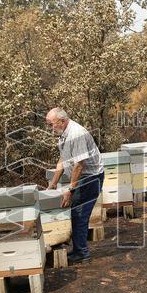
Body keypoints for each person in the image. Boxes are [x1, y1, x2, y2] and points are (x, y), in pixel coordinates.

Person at [46, 107, 104, 264]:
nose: (50, 128)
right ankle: (78, 250)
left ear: (62, 121)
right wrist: (53, 183)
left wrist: (70, 190)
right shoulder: (64, 134)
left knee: (79, 214)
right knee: (76, 213)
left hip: (91, 178)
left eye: (51, 124)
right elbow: (63, 159)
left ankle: (82, 253)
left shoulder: (76, 134)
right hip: (84, 177)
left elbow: (79, 165)